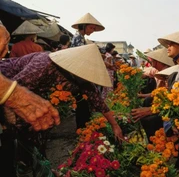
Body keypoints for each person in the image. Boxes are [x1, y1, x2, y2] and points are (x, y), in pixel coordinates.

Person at [0, 24, 59, 177]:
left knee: (15, 138)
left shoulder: (17, 47)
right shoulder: (38, 49)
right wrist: (12, 95)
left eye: (7, 43)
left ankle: (28, 162)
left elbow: (9, 62)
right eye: (4, 43)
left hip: (14, 86)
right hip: (19, 91)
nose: (5, 49)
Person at [70, 13, 105, 129]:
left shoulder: (82, 38)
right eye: (91, 28)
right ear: (83, 26)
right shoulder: (78, 38)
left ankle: (84, 127)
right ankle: (82, 129)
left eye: (94, 28)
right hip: (78, 75)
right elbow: (80, 57)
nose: (93, 30)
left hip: (81, 74)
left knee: (84, 103)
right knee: (82, 102)